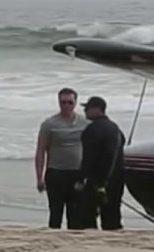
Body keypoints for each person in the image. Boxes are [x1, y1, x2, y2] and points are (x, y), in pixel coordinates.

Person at [35, 87, 89, 229]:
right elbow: (41, 151)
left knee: (75, 215)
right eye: (63, 102)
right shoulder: (49, 124)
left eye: (70, 102)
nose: (66, 106)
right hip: (56, 173)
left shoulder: (85, 123)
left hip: (77, 173)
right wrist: (39, 178)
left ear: (75, 103)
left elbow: (93, 149)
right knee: (55, 213)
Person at [77, 96, 126, 230]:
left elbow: (88, 158)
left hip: (96, 182)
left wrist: (80, 180)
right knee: (112, 216)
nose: (85, 111)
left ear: (97, 109)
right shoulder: (116, 129)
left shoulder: (92, 130)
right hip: (117, 180)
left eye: (87, 108)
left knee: (86, 217)